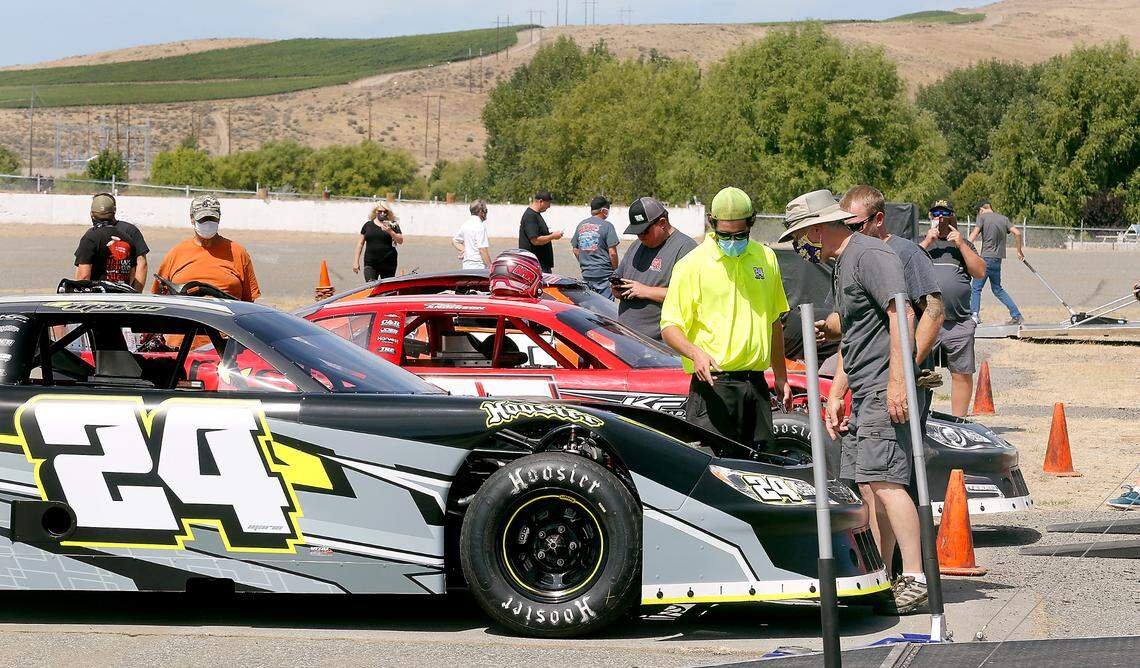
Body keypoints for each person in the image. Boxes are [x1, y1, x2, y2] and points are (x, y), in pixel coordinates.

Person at [781, 188, 927, 615]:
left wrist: (899, 382)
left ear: (821, 227)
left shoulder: (868, 255)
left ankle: (914, 577)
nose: (801, 245)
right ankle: (878, 576)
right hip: (863, 388)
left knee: (886, 482)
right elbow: (856, 335)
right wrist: (837, 393)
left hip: (884, 387)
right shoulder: (843, 263)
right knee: (866, 484)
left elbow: (904, 312)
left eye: (803, 234)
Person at [661, 187, 792, 447]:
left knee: (760, 470)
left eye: (740, 234)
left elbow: (774, 321)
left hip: (755, 384)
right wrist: (694, 352)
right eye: (725, 235)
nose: (733, 240)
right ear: (712, 223)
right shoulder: (691, 265)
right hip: (713, 386)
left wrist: (781, 375)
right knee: (714, 474)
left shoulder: (766, 258)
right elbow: (669, 327)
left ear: (751, 224)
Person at [920, 201, 986, 416]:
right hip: (925, 321)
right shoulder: (919, 244)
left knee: (961, 373)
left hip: (957, 322)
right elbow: (902, 266)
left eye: (946, 213)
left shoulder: (964, 244)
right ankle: (919, 419)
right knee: (917, 372)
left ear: (953, 217)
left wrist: (961, 244)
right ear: (930, 216)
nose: (941, 218)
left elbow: (979, 272)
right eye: (937, 213)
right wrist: (928, 240)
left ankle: (959, 421)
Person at [613, 196, 697, 341]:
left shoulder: (686, 248)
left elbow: (691, 296)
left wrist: (645, 291)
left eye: (644, 231)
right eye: (637, 232)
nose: (640, 237)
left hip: (658, 348)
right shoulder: (637, 245)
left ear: (662, 223)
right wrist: (617, 289)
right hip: (626, 340)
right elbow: (620, 277)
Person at [151, 195, 260, 302]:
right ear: (192, 219)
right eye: (202, 219)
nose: (207, 223)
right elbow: (159, 296)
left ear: (219, 218)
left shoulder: (238, 253)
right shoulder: (175, 253)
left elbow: (249, 301)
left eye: (212, 218)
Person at [73, 192, 149, 290]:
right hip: (122, 294)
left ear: (92, 213)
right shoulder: (129, 233)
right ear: (114, 210)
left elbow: (82, 273)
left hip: (97, 296)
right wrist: (133, 294)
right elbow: (138, 266)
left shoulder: (91, 236)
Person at [969, 200, 1024, 325]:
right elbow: (1017, 233)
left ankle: (974, 316)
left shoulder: (982, 217)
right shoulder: (1004, 219)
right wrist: (1019, 251)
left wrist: (963, 247)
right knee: (997, 289)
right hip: (997, 260)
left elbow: (973, 235)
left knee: (976, 288)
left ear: (981, 209)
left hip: (985, 259)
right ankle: (1017, 315)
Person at [570, 196, 620, 299]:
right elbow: (613, 253)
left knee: (589, 306)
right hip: (604, 276)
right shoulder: (607, 226)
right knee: (607, 308)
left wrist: (586, 263)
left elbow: (575, 250)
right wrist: (616, 271)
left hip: (586, 274)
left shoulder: (581, 225)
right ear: (603, 210)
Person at [354, 203, 404, 281]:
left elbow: (400, 240)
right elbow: (360, 244)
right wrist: (356, 262)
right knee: (371, 286)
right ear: (375, 211)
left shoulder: (393, 224)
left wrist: (390, 231)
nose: (382, 213)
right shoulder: (368, 225)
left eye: (385, 211)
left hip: (388, 262)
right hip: (371, 263)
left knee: (387, 289)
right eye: (380, 211)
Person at [518, 190, 561, 273]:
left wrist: (552, 234)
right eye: (548, 204)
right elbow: (535, 240)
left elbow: (539, 235)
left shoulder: (536, 215)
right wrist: (553, 236)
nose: (549, 207)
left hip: (540, 265)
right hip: (535, 265)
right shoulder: (530, 216)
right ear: (541, 201)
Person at [453, 200, 492, 270]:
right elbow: (482, 249)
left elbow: (455, 241)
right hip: (478, 268)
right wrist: (491, 267)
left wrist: (465, 250)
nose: (486, 213)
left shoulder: (465, 225)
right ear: (481, 212)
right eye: (486, 210)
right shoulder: (480, 226)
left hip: (466, 267)